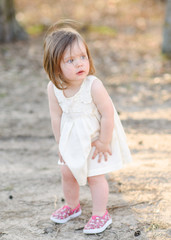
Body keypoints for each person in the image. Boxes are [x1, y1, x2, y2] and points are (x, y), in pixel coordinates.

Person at [43, 20, 132, 234]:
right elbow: (56, 117)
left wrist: (103, 141)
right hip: (72, 139)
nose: (80, 63)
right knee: (67, 172)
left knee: (95, 176)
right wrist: (60, 144)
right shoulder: (53, 89)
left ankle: (100, 214)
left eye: (83, 57)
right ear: (55, 66)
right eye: (71, 60)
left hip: (94, 139)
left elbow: (108, 113)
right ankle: (72, 206)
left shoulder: (93, 85)